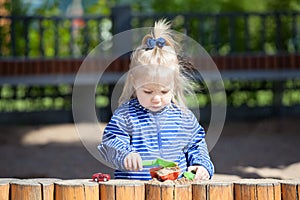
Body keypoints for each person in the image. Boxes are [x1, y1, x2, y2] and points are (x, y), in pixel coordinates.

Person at [98, 19, 214, 181]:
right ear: (134, 82)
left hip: (174, 190)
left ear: (174, 84)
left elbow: (196, 145)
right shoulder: (125, 115)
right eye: (148, 91)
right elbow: (110, 143)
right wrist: (125, 154)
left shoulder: (183, 117)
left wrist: (202, 166)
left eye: (164, 91)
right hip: (133, 190)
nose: (156, 98)